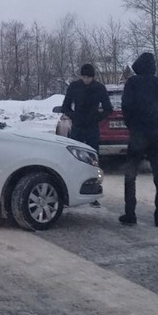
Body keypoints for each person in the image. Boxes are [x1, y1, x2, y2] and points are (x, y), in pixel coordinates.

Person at [119, 52, 158, 227]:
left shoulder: (132, 83)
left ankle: (130, 214)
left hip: (138, 135)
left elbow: (126, 106)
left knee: (130, 175)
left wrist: (132, 125)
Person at [61, 63, 113, 207]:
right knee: (73, 159)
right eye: (84, 77)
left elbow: (108, 108)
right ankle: (70, 190)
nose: (86, 80)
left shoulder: (99, 88)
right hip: (77, 127)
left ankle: (92, 191)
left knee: (93, 161)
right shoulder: (74, 87)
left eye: (88, 77)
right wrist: (74, 116)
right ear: (80, 76)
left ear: (93, 77)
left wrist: (97, 117)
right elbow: (65, 106)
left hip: (92, 128)